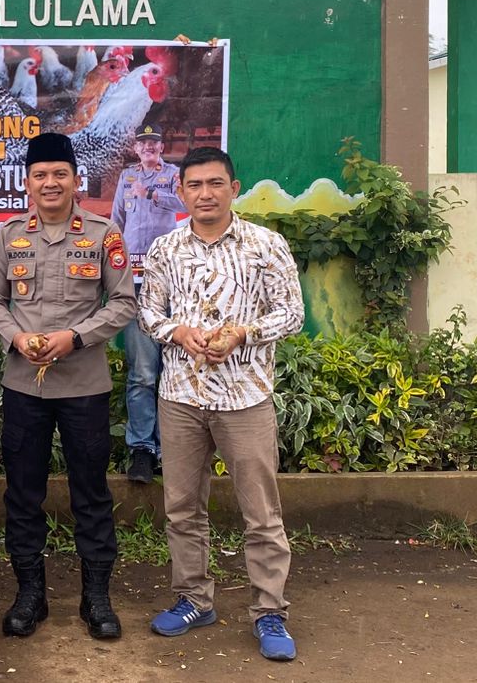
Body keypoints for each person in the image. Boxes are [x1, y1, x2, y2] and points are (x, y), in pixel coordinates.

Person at [137, 146, 305, 662]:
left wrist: (244, 333)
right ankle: (193, 599)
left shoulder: (265, 245)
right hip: (181, 397)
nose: (204, 194)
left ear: (234, 188)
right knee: (183, 509)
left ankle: (269, 611)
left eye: (215, 184)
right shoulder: (165, 249)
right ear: (181, 192)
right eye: (194, 185)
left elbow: (292, 313)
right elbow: (148, 312)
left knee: (262, 513)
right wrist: (177, 332)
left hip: (246, 398)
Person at [0, 132, 136, 641]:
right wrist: (18, 336)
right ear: (27, 182)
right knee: (22, 494)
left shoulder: (102, 233)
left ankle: (97, 599)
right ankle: (30, 595)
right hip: (23, 385)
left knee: (90, 493)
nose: (50, 183)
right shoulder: (8, 236)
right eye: (40, 175)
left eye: (59, 174)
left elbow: (123, 304)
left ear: (75, 179)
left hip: (83, 386)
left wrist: (74, 337)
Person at [109, 125, 186, 484]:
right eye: (143, 144)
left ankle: (172, 450)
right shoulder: (126, 176)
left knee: (176, 371)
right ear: (137, 148)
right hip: (135, 282)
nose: (149, 148)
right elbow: (116, 221)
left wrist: (153, 194)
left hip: (173, 283)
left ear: (162, 146)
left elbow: (183, 204)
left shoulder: (172, 176)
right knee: (142, 373)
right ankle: (142, 449)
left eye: (154, 143)